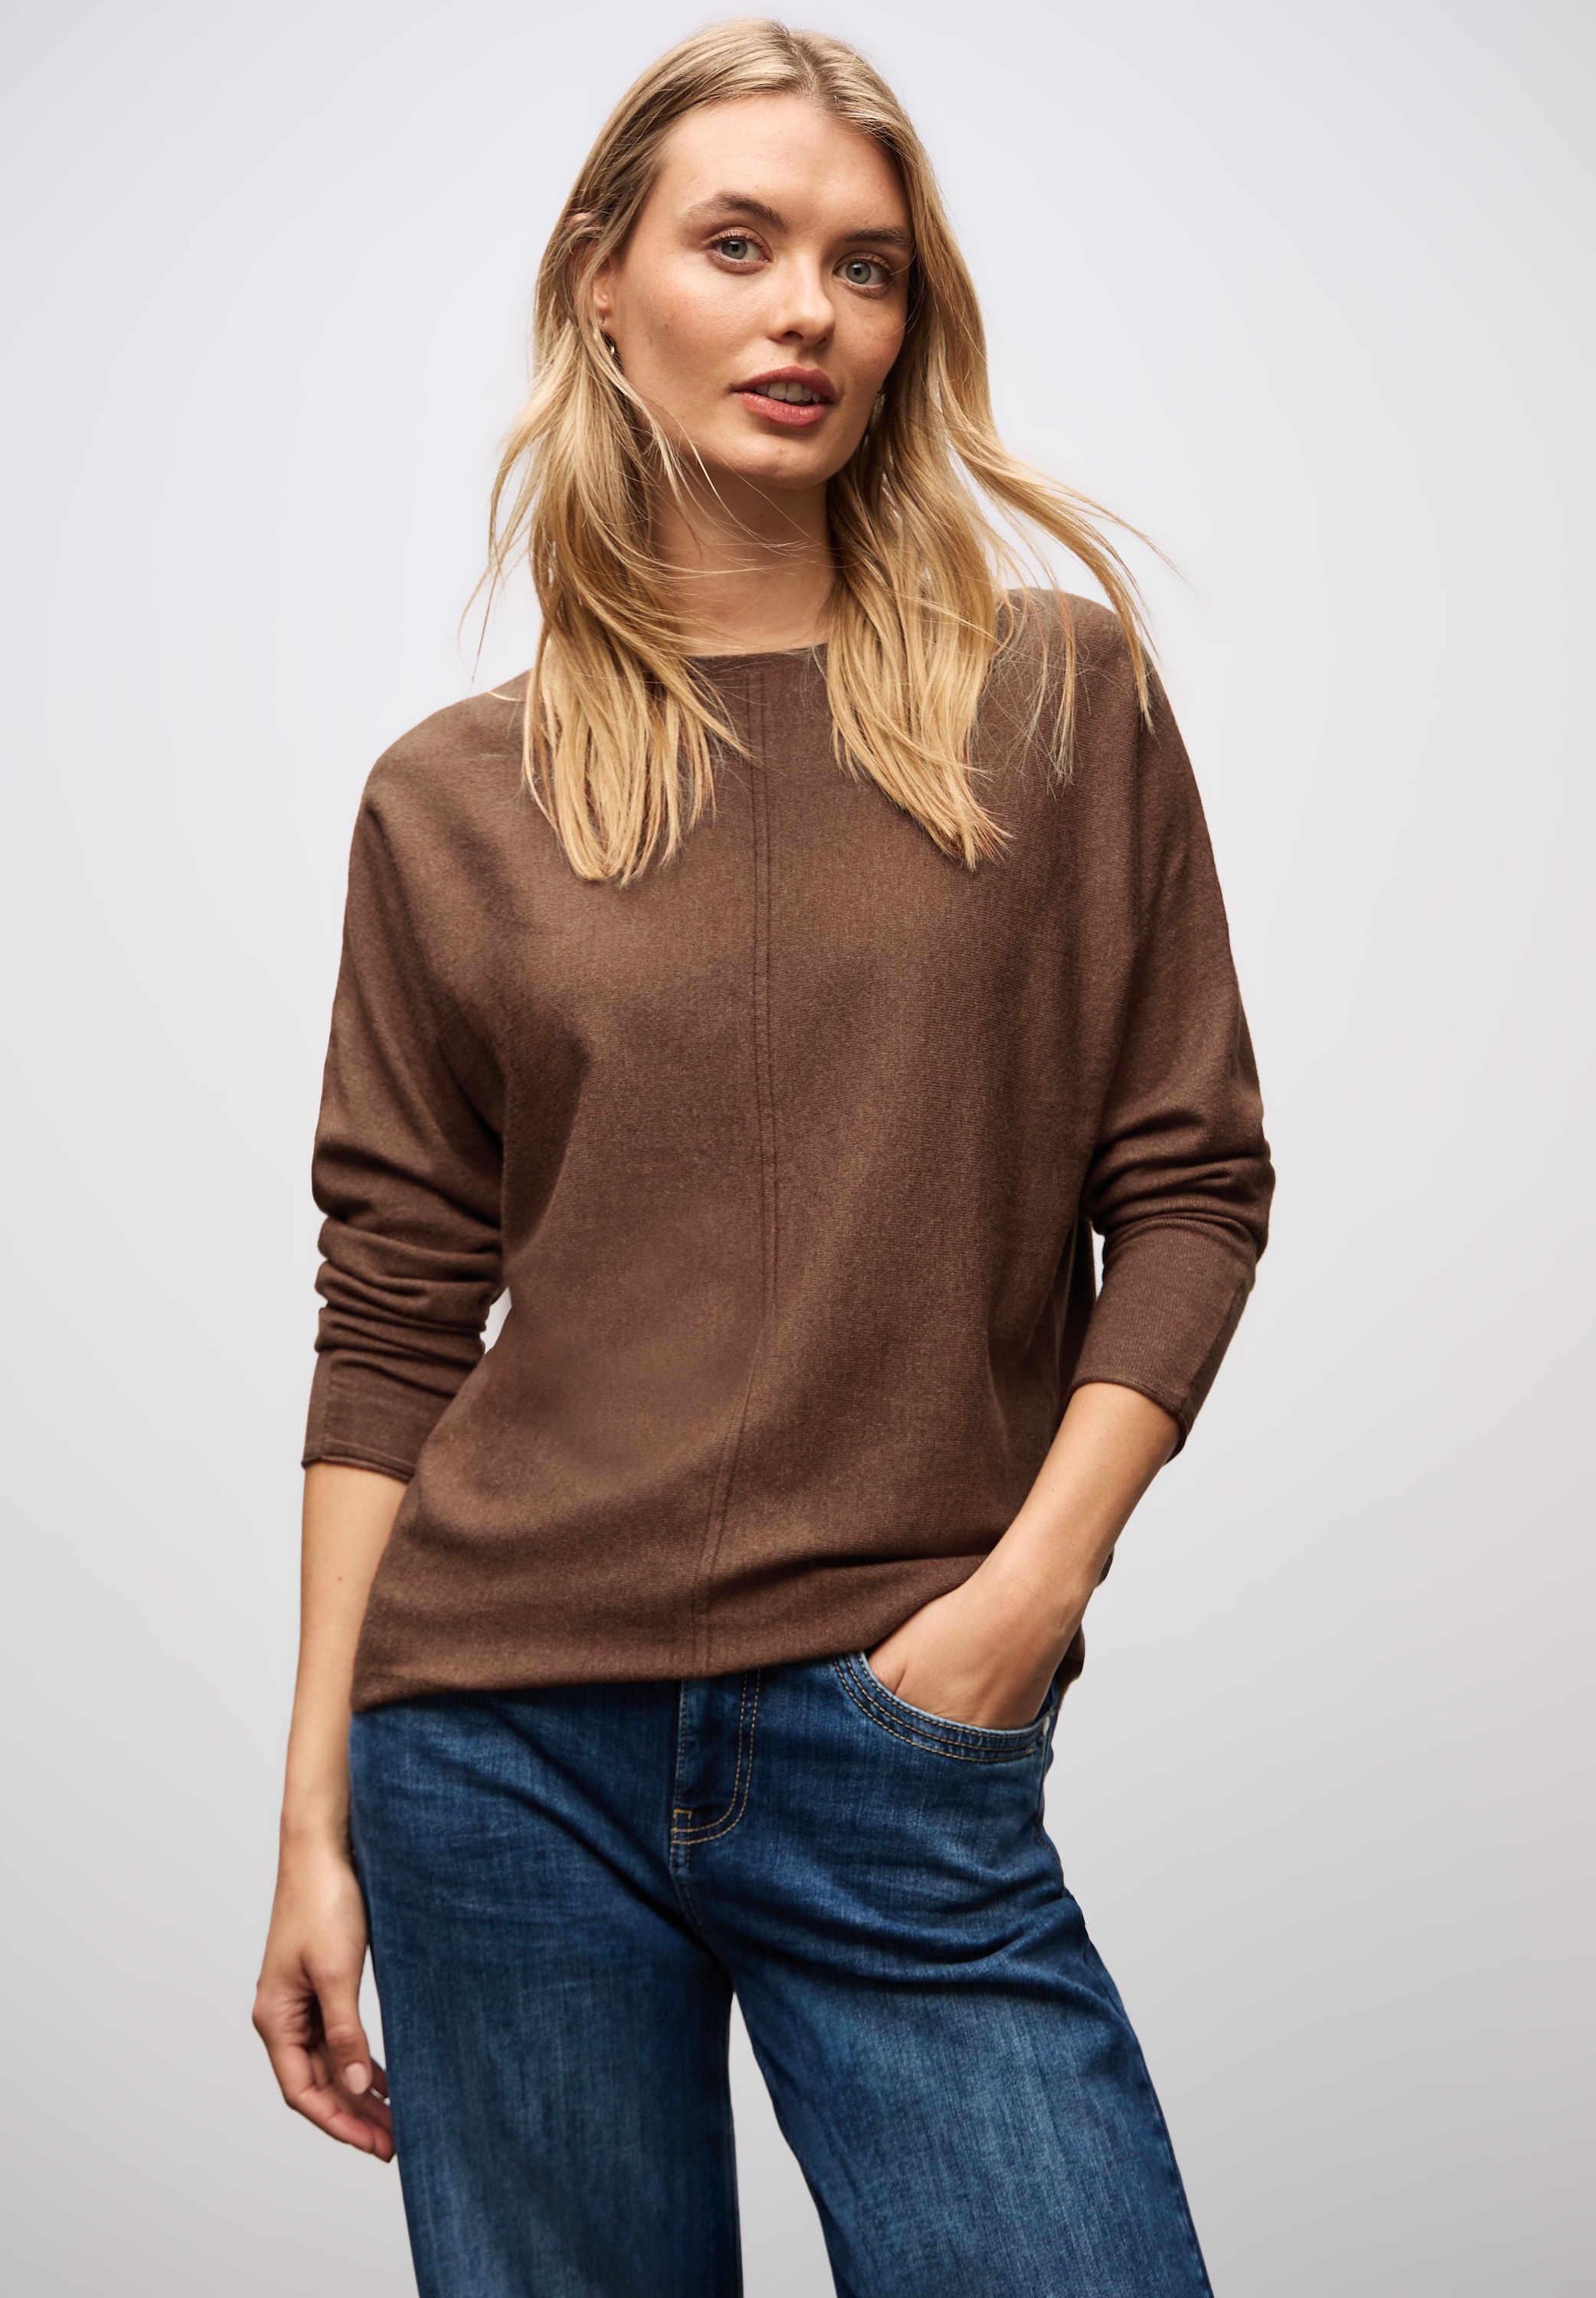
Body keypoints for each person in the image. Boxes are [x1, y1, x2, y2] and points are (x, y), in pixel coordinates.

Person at [253, 20, 1274, 2296]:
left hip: (896, 1723)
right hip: (492, 1752)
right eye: (740, 245)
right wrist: (313, 1817)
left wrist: (1016, 1610)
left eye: (865, 265)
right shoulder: (451, 799)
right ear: (602, 285)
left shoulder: (1055, 700)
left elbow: (1194, 1189)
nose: (809, 309)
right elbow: (393, 1318)